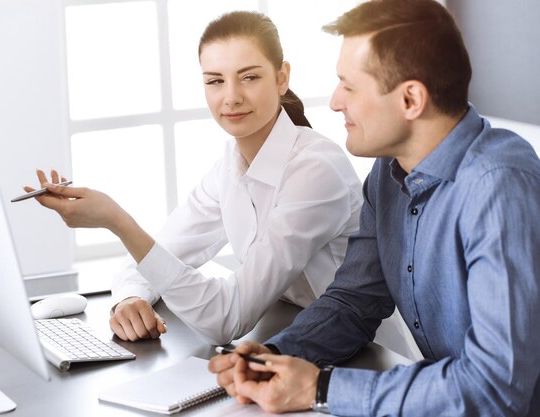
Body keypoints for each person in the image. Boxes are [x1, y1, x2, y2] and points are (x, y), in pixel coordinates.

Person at [208, 0, 540, 415]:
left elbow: (495, 388)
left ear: (411, 100)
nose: (334, 102)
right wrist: (272, 357)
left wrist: (321, 387)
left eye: (349, 86)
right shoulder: (388, 173)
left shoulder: (499, 186)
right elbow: (354, 302)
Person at [26, 11, 362, 345]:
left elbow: (228, 318)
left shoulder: (316, 170)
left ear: (281, 77)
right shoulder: (229, 169)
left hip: (364, 355)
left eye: (249, 77)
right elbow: (159, 255)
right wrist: (129, 298)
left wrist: (117, 221)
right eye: (215, 81)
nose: (231, 96)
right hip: (293, 340)